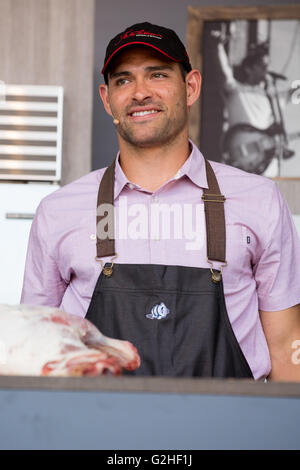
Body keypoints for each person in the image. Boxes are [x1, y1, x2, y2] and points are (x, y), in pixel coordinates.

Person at [21, 22, 300, 381]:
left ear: (191, 87)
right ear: (107, 99)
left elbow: (287, 348)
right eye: (124, 80)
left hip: (229, 433)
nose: (140, 93)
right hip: (95, 432)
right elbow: (36, 350)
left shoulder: (259, 201)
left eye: (157, 75)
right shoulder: (58, 211)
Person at [210, 30, 297, 176]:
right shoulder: (237, 91)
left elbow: (294, 92)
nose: (267, 70)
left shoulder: (274, 98)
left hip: (267, 168)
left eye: (267, 65)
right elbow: (223, 72)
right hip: (240, 161)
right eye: (263, 66)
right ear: (249, 69)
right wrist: (218, 46)